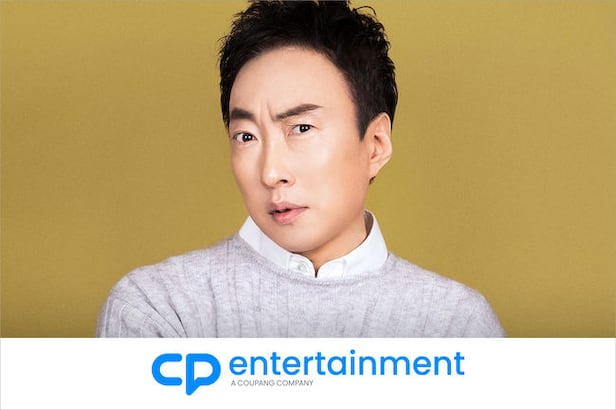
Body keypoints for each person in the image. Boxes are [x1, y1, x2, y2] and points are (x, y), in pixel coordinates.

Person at [96, 0, 505, 337]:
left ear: (376, 145)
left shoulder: (454, 326)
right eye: (246, 136)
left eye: (302, 128)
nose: (271, 172)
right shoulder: (159, 308)